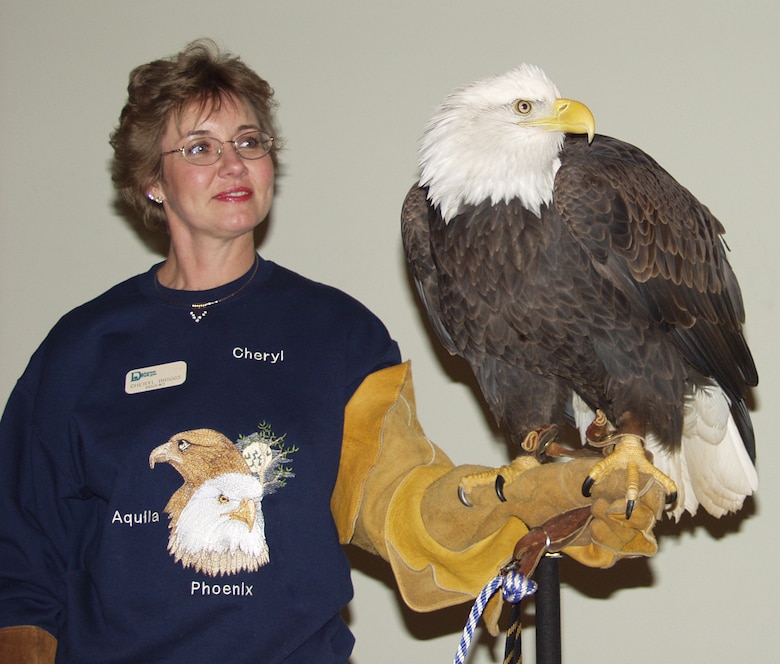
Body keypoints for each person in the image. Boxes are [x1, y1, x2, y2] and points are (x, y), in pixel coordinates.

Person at [0, 40, 666, 663]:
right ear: (152, 182)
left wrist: (508, 499)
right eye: (200, 148)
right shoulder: (82, 348)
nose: (233, 164)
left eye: (248, 142)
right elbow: (18, 559)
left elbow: (398, 506)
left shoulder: (337, 333)